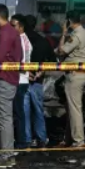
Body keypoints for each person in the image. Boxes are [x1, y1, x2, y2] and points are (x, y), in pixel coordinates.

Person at [0, 4, 20, 161]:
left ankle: (6, 155)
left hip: (3, 77)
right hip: (11, 77)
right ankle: (8, 153)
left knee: (4, 118)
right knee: (6, 117)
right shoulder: (13, 31)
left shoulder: (4, 32)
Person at [57, 10, 85, 148]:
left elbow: (61, 51)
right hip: (82, 73)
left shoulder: (76, 35)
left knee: (74, 109)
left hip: (75, 74)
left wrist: (63, 33)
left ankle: (78, 140)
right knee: (73, 108)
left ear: (69, 21)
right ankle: (68, 138)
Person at [24, 15, 54, 148]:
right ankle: (41, 138)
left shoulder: (20, 39)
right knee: (38, 110)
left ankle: (27, 139)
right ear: (35, 25)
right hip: (37, 80)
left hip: (22, 79)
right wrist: (40, 72)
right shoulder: (43, 41)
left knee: (24, 111)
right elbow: (52, 61)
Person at [11, 15, 33, 149]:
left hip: (19, 80)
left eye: (13, 25)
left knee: (18, 113)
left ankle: (21, 141)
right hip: (21, 79)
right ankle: (21, 139)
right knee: (19, 112)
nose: (11, 28)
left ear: (21, 27)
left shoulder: (21, 41)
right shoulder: (23, 40)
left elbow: (22, 63)